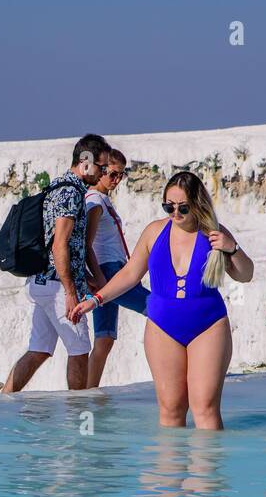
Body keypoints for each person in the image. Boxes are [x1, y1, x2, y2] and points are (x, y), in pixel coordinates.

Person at [69, 171, 254, 429]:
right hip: (162, 326)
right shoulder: (154, 232)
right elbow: (130, 274)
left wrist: (232, 248)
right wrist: (97, 299)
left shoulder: (214, 233)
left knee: (205, 409)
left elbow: (246, 275)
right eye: (169, 206)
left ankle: (206, 469)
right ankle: (167, 470)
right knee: (170, 409)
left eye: (183, 207)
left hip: (208, 326)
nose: (175, 213)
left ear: (197, 204)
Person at [0, 134, 109, 394]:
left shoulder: (59, 188)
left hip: (43, 282)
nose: (103, 173)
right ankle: (78, 417)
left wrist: (85, 277)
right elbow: (60, 244)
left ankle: (4, 399)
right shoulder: (70, 193)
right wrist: (71, 292)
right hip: (58, 286)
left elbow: (70, 246)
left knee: (39, 350)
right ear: (85, 163)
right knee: (81, 350)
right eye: (101, 167)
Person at [83, 147, 150, 387]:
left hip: (112, 271)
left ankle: (88, 393)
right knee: (158, 309)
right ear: (100, 170)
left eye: (121, 175)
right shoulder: (94, 201)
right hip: (109, 272)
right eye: (112, 174)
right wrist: (99, 280)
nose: (116, 180)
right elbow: (86, 244)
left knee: (105, 339)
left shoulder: (102, 199)